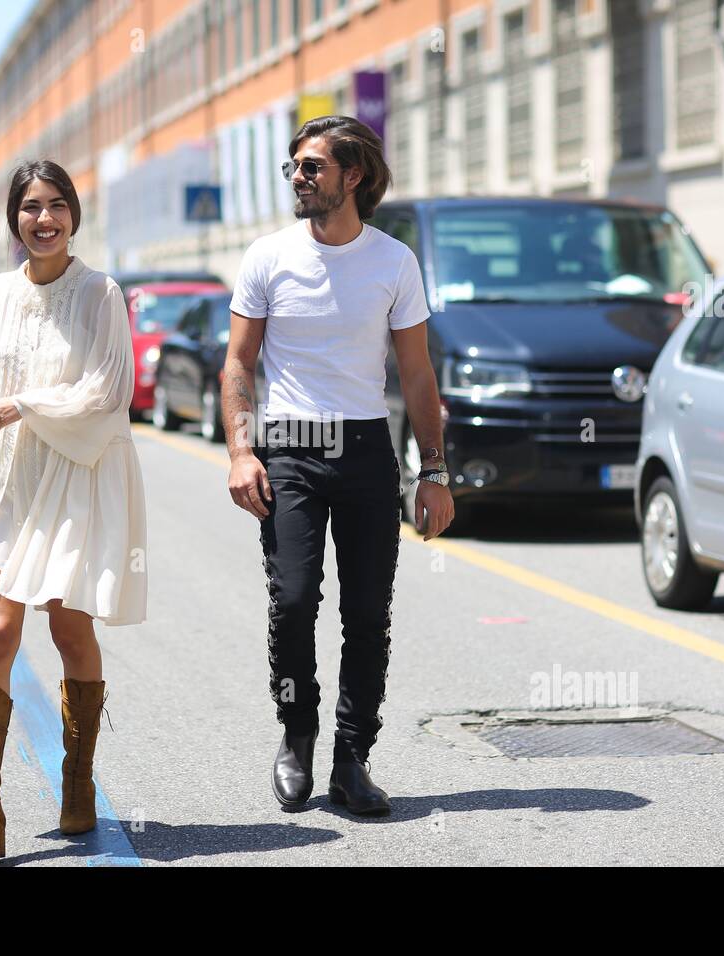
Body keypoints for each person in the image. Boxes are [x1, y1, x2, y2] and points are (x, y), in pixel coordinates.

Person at [223, 115, 454, 816]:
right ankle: (297, 734)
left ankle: (353, 759)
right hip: (290, 447)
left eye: (313, 166)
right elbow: (238, 361)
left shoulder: (393, 263)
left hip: (363, 451)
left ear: (353, 176)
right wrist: (240, 449)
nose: (299, 176)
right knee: (293, 601)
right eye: (294, 166)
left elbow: (416, 377)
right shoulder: (268, 257)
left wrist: (435, 473)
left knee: (366, 614)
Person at [0, 159, 147, 858]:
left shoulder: (100, 293)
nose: (44, 219)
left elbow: (109, 390)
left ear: (74, 215)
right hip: (8, 477)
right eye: (31, 207)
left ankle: (78, 782)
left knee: (68, 634)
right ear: (14, 218)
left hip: (74, 475)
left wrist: (28, 407)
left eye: (57, 205)